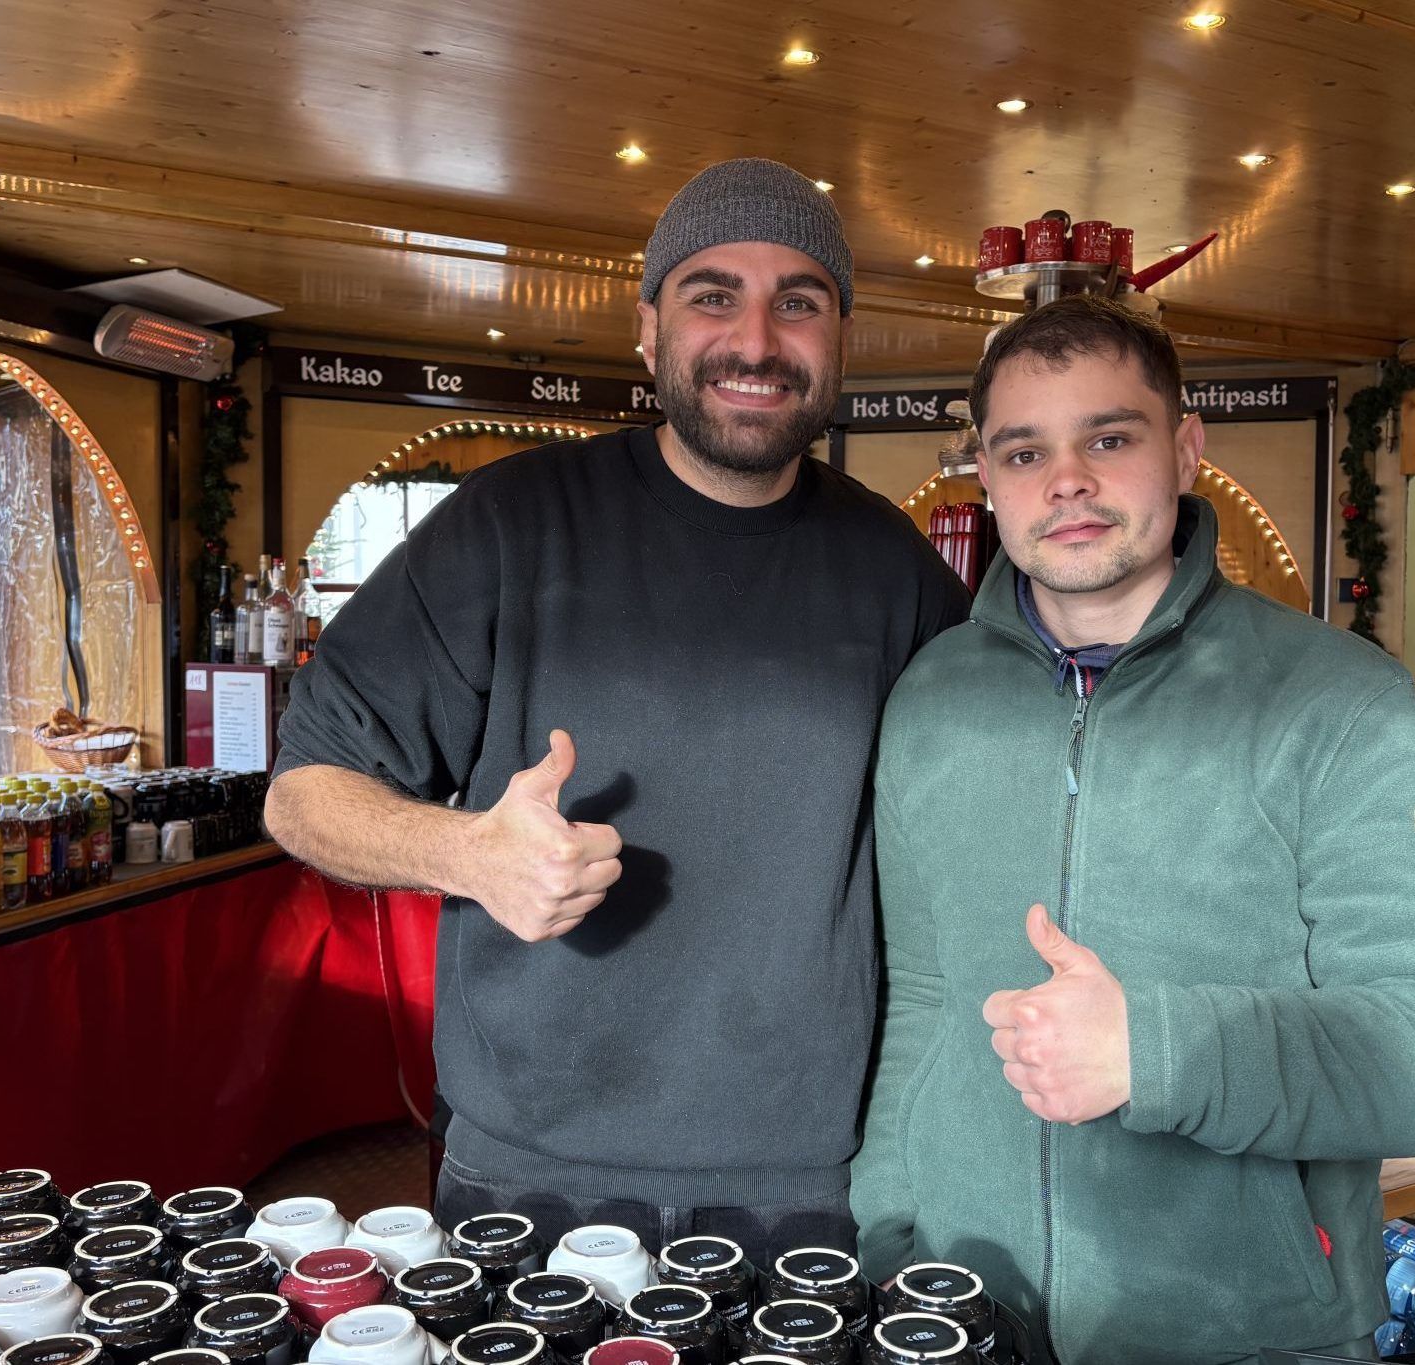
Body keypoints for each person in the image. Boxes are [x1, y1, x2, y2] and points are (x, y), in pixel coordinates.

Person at [264, 158, 970, 1259]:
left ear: (837, 339)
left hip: (813, 1173)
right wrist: (467, 852)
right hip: (531, 1166)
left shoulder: (896, 569)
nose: (755, 338)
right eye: (710, 295)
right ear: (648, 331)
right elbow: (305, 792)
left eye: (798, 301)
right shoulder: (510, 525)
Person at [850, 294, 1415, 1364]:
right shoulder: (930, 697)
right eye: (1023, 452)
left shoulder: (1336, 701)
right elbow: (922, 996)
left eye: (1107, 439)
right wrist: (888, 1230)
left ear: (1184, 449)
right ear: (983, 474)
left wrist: (1157, 1051)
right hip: (959, 1316)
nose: (1064, 481)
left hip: (1249, 1330)